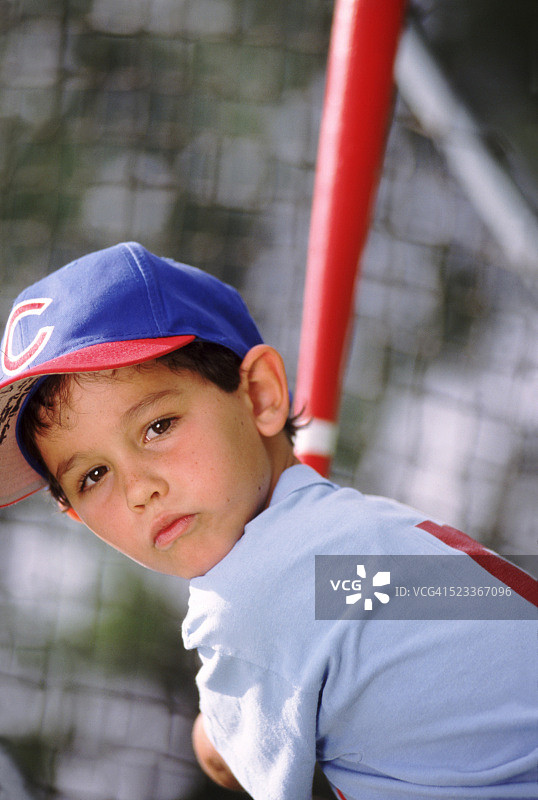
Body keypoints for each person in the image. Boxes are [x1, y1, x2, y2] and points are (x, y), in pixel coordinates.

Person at [0, 241, 536, 800]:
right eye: (93, 476)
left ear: (259, 394)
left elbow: (226, 758)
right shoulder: (361, 540)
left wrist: (216, 734)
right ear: (76, 514)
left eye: (158, 426)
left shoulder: (249, 599)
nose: (139, 489)